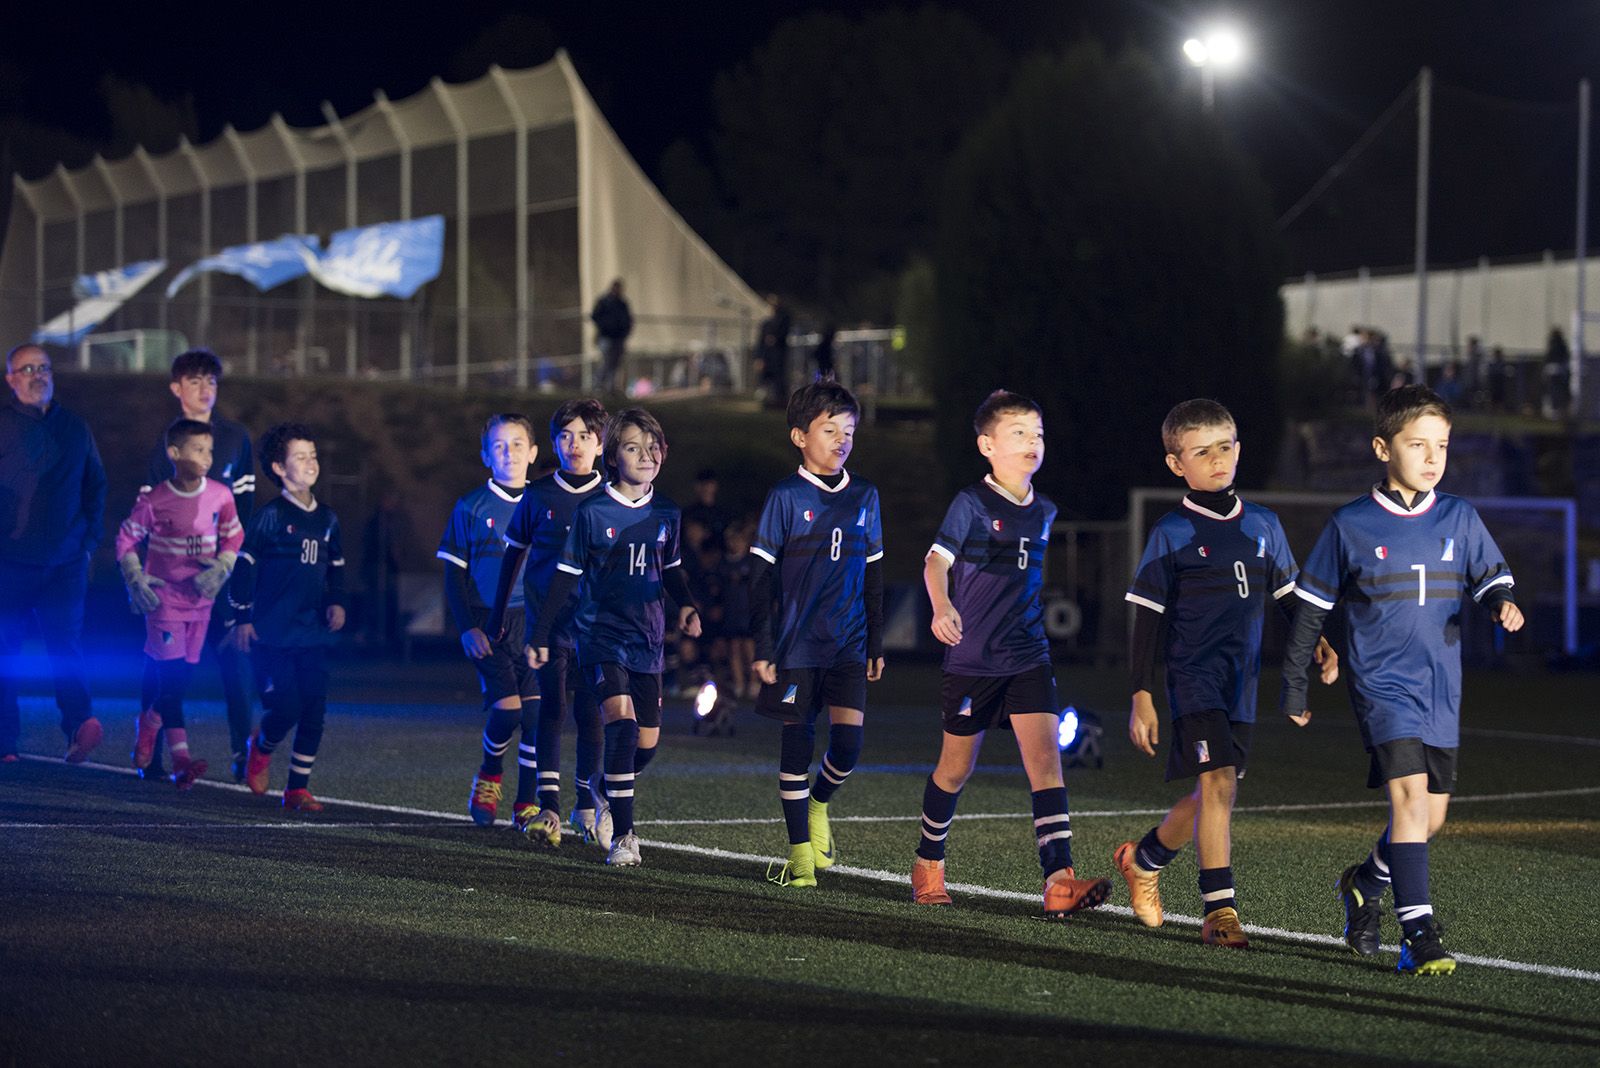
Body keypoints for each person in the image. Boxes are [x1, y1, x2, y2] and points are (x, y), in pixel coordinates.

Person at [1281, 385, 1523, 975]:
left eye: (1441, 445)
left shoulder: (1460, 516)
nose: (1433, 457)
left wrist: (1502, 604)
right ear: (1382, 448)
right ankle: (1419, 932)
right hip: (1382, 685)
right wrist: (1294, 681)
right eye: (1418, 444)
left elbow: (1491, 576)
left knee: (1429, 817)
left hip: (1442, 687)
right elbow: (1311, 608)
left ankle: (1365, 883)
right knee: (1410, 800)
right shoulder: (1351, 525)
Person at [1115, 399, 1338, 947]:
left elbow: (1288, 597)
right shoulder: (1172, 531)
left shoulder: (1265, 523)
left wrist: (1319, 643)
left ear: (1238, 449)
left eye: (1224, 447)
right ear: (1177, 465)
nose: (1216, 459)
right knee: (1216, 783)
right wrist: (1141, 694)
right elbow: (1147, 618)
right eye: (1201, 451)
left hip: (1242, 681)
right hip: (1193, 677)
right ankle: (1220, 912)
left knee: (1219, 788)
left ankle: (1144, 859)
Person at [912, 390, 1111, 917]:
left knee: (1047, 767)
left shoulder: (1044, 510)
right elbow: (935, 562)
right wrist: (941, 607)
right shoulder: (971, 504)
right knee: (954, 770)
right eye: (1019, 432)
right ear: (987, 445)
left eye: (1038, 433)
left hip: (1028, 655)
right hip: (972, 660)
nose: (1032, 442)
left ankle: (1059, 881)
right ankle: (928, 863)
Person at [527, 408, 701, 866]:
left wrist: (685, 605)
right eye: (631, 447)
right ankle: (625, 836)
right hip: (600, 638)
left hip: (649, 641)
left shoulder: (667, 512)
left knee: (646, 745)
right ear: (612, 457)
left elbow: (674, 570)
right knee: (620, 727)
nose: (645, 455)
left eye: (652, 447)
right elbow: (564, 577)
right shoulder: (592, 512)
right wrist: (542, 633)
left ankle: (602, 788)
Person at [748, 379, 884, 888]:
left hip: (848, 644)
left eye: (848, 430)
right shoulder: (784, 497)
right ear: (800, 437)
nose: (842, 439)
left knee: (848, 746)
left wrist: (875, 642)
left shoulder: (866, 496)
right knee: (796, 747)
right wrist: (763, 646)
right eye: (830, 430)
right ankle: (801, 858)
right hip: (795, 647)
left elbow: (873, 575)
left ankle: (819, 803)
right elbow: (760, 578)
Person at [489, 399, 609, 846]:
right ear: (554, 443)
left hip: (596, 626)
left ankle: (585, 804)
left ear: (600, 443)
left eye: (584, 436)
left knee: (591, 711)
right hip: (546, 624)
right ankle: (551, 809)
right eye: (565, 436)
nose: (574, 445)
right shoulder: (537, 495)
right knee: (550, 707)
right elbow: (512, 557)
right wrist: (499, 615)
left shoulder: (612, 496)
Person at [137, 348, 256, 782]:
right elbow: (150, 514)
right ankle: (150, 749)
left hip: (221, 575)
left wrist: (233, 569)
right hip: (174, 578)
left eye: (211, 381)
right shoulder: (164, 443)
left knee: (236, 659)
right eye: (194, 381)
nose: (204, 390)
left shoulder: (236, 438)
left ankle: (245, 752)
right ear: (176, 388)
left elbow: (244, 511)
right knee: (165, 662)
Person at [116, 418, 244, 790]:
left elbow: (234, 536)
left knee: (183, 678)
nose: (208, 457)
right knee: (173, 679)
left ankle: (149, 722)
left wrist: (223, 563)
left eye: (210, 450)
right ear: (174, 454)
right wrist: (135, 577)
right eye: (198, 450)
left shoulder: (221, 495)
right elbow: (125, 539)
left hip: (200, 602)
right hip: (166, 603)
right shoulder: (156, 500)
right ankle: (182, 760)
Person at [228, 424, 347, 812]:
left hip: (310, 632)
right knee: (288, 707)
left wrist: (336, 601)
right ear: (279, 468)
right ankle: (260, 746)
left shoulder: (328, 519)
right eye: (300, 457)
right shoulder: (271, 516)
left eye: (313, 456)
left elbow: (337, 568)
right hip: (271, 633)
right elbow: (243, 567)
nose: (310, 463)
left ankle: (297, 788)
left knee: (315, 708)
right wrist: (243, 617)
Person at [0, 343, 105, 765]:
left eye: (44, 367)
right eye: (28, 368)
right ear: (11, 379)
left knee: (67, 647)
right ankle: (6, 742)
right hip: (9, 563)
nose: (38, 374)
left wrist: (87, 543)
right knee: (6, 652)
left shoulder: (76, 428)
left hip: (64, 564)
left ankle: (79, 727)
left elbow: (95, 486)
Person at [438, 415, 540, 832]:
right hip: (488, 622)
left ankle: (526, 804)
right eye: (499, 446)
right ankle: (490, 774)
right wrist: (466, 626)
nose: (509, 453)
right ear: (485, 456)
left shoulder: (545, 504)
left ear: (533, 452)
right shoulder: (472, 507)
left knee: (536, 718)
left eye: (518, 444)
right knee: (508, 711)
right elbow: (453, 574)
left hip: (535, 624)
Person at [718, 520, 758, 700]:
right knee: (733, 648)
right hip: (731, 613)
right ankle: (739, 683)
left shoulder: (750, 562)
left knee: (749, 649)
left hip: (747, 613)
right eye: (731, 540)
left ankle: (754, 683)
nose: (735, 543)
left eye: (738, 539)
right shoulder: (723, 563)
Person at [591, 279, 633, 395]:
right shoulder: (604, 302)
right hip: (606, 337)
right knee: (606, 362)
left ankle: (610, 387)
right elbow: (595, 316)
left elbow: (628, 320)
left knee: (615, 364)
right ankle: (598, 384)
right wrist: (605, 326)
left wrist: (625, 332)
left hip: (618, 338)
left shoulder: (622, 304)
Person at [757, 294, 793, 408]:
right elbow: (760, 342)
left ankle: (779, 400)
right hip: (767, 355)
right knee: (766, 379)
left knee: (779, 379)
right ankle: (766, 400)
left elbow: (783, 334)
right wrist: (759, 357)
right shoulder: (766, 323)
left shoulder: (783, 319)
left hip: (778, 355)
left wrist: (775, 338)